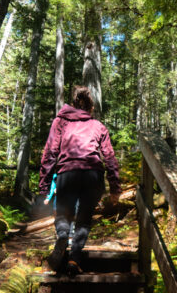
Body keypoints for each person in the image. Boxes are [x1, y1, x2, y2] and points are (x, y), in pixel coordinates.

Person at [39, 86, 121, 275]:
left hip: (67, 173)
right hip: (93, 175)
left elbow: (50, 153)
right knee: (83, 220)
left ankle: (62, 236)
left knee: (62, 214)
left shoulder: (60, 122)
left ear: (73, 104)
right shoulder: (98, 126)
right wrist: (115, 188)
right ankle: (75, 259)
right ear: (90, 108)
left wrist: (44, 186)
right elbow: (109, 158)